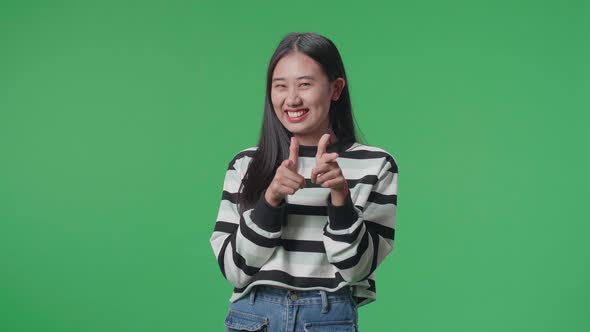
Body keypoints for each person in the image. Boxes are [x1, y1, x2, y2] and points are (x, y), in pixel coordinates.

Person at [210, 32, 399, 332]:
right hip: (254, 316)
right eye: (280, 86)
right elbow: (235, 270)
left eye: (305, 84)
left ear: (335, 89)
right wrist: (269, 200)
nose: (292, 98)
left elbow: (357, 270)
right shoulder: (246, 164)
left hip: (329, 315)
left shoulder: (375, 165)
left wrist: (340, 199)